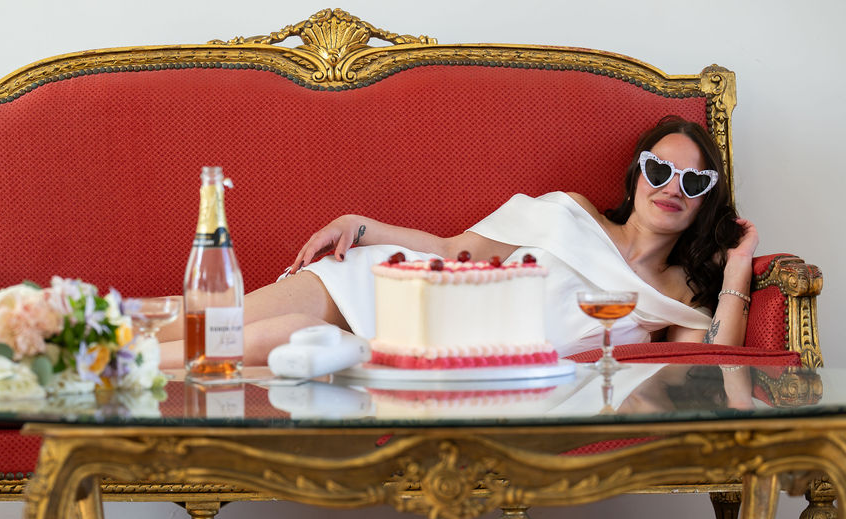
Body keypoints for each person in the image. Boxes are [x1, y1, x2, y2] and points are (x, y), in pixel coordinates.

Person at [158, 116, 758, 367]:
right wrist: (361, 226)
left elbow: (715, 369)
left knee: (242, 344)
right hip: (394, 286)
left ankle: (92, 356)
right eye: (659, 170)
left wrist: (735, 273)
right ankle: (85, 347)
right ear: (636, 177)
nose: (671, 188)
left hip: (449, 362)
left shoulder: (677, 294)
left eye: (694, 181)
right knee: (206, 326)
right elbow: (454, 251)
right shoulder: (569, 212)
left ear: (706, 199)